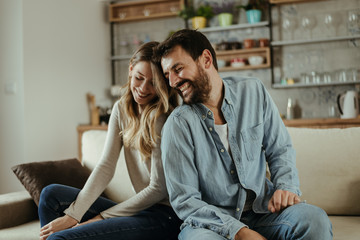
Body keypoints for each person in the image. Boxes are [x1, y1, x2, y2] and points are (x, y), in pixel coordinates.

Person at [154, 29, 332, 240]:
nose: (173, 82)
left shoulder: (253, 92)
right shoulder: (178, 124)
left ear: (206, 59)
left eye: (178, 69)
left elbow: (280, 149)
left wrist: (286, 187)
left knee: (315, 220)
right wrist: (239, 232)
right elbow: (185, 200)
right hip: (210, 224)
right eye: (168, 75)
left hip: (263, 213)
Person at [38, 41, 181, 240]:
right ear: (131, 70)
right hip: (139, 211)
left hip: (165, 217)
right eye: (139, 78)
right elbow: (106, 166)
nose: (143, 88)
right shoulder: (121, 108)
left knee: (60, 238)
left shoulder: (163, 118)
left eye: (153, 84)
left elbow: (158, 189)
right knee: (50, 195)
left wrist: (102, 217)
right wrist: (73, 215)